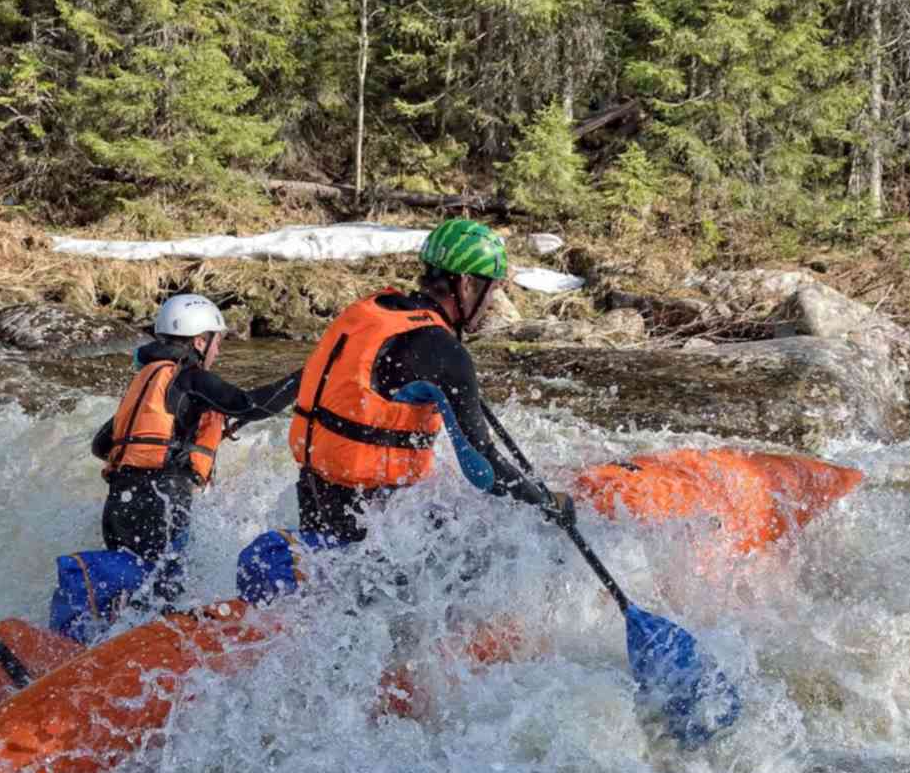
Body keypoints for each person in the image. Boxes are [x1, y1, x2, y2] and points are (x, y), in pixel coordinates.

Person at [288, 218, 573, 549]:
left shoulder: (370, 313)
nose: (491, 302)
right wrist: (545, 501)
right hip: (372, 530)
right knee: (488, 537)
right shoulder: (443, 351)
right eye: (491, 289)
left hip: (316, 501)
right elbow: (483, 471)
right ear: (466, 284)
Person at [93, 293, 299, 603]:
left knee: (131, 594)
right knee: (163, 596)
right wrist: (307, 378)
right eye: (217, 341)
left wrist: (182, 439)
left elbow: (102, 444)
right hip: (160, 503)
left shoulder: (148, 380)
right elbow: (253, 405)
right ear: (200, 342)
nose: (218, 349)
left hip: (118, 504)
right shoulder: (190, 377)